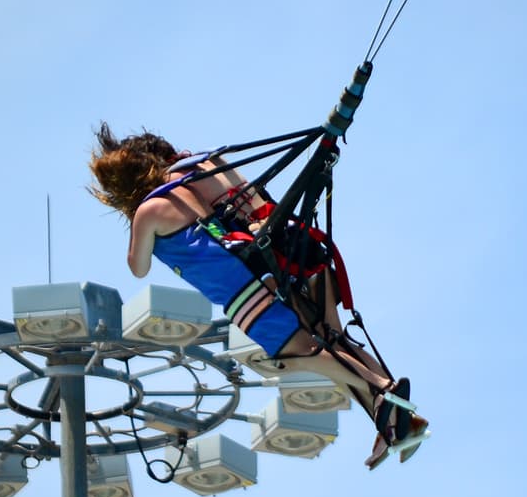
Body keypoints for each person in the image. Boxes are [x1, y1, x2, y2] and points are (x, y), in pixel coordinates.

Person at [88, 123, 425, 468]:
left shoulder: (164, 197)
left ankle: (383, 389)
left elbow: (138, 266)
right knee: (333, 339)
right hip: (299, 238)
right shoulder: (211, 161)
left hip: (266, 267)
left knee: (297, 354)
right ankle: (395, 422)